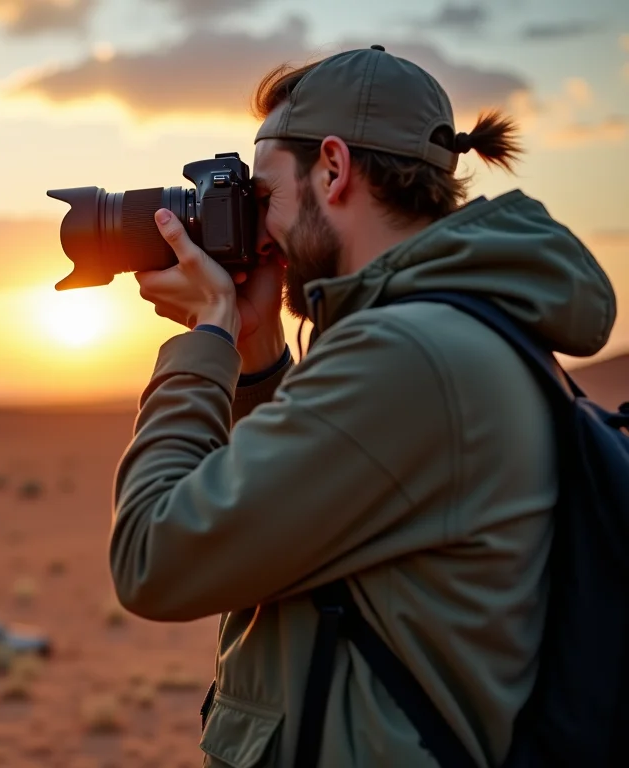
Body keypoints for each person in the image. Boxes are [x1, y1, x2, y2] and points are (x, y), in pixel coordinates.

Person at [109, 46, 617, 767]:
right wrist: (254, 354)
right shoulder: (449, 331)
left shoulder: (408, 355)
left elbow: (153, 556)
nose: (255, 227)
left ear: (335, 170)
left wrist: (209, 337)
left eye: (263, 195)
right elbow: (290, 515)